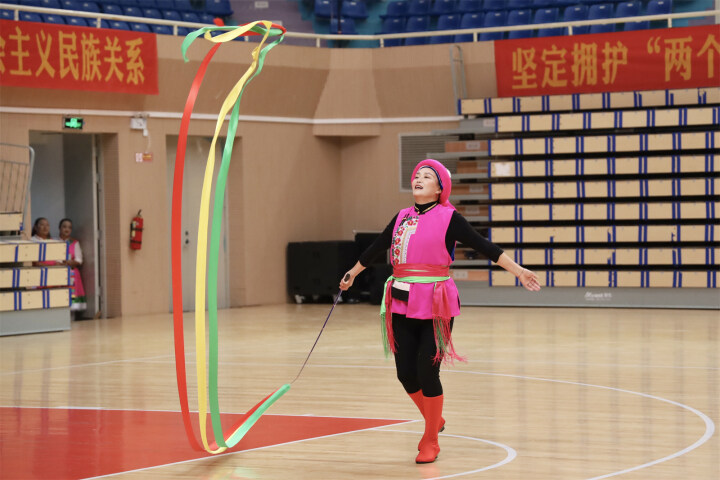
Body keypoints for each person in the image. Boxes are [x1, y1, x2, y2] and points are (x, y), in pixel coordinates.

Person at [339, 159, 541, 464]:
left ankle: (430, 439)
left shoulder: (450, 218)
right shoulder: (401, 217)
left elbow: (485, 246)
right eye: (417, 175)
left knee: (427, 370)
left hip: (436, 302)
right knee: (405, 374)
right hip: (401, 300)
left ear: (439, 188)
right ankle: (435, 419)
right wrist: (352, 273)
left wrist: (519, 271)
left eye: (427, 176)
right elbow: (378, 247)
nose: (418, 179)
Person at [58, 218, 87, 315]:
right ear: (59, 228)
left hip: (71, 273)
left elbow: (79, 259)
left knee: (72, 297)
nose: (67, 229)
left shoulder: (74, 243)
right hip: (58, 273)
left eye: (69, 227)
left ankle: (72, 317)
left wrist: (71, 262)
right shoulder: (54, 242)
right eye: (64, 227)